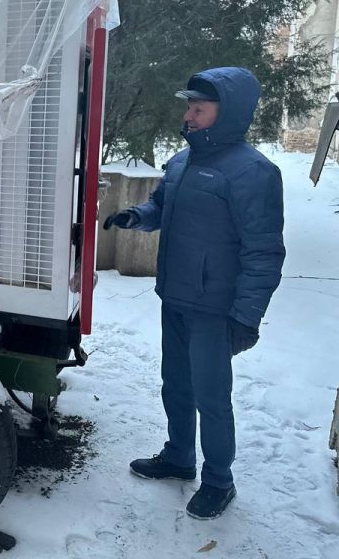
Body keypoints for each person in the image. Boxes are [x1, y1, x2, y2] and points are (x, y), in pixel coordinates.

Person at [103, 67, 285, 520]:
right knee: (176, 387)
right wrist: (136, 216)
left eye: (198, 109)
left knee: (212, 398)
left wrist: (246, 317)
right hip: (176, 298)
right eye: (189, 107)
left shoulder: (254, 172)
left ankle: (219, 480)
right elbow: (161, 206)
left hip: (215, 309)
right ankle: (179, 457)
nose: (188, 115)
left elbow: (264, 252)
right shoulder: (182, 162)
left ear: (226, 114)